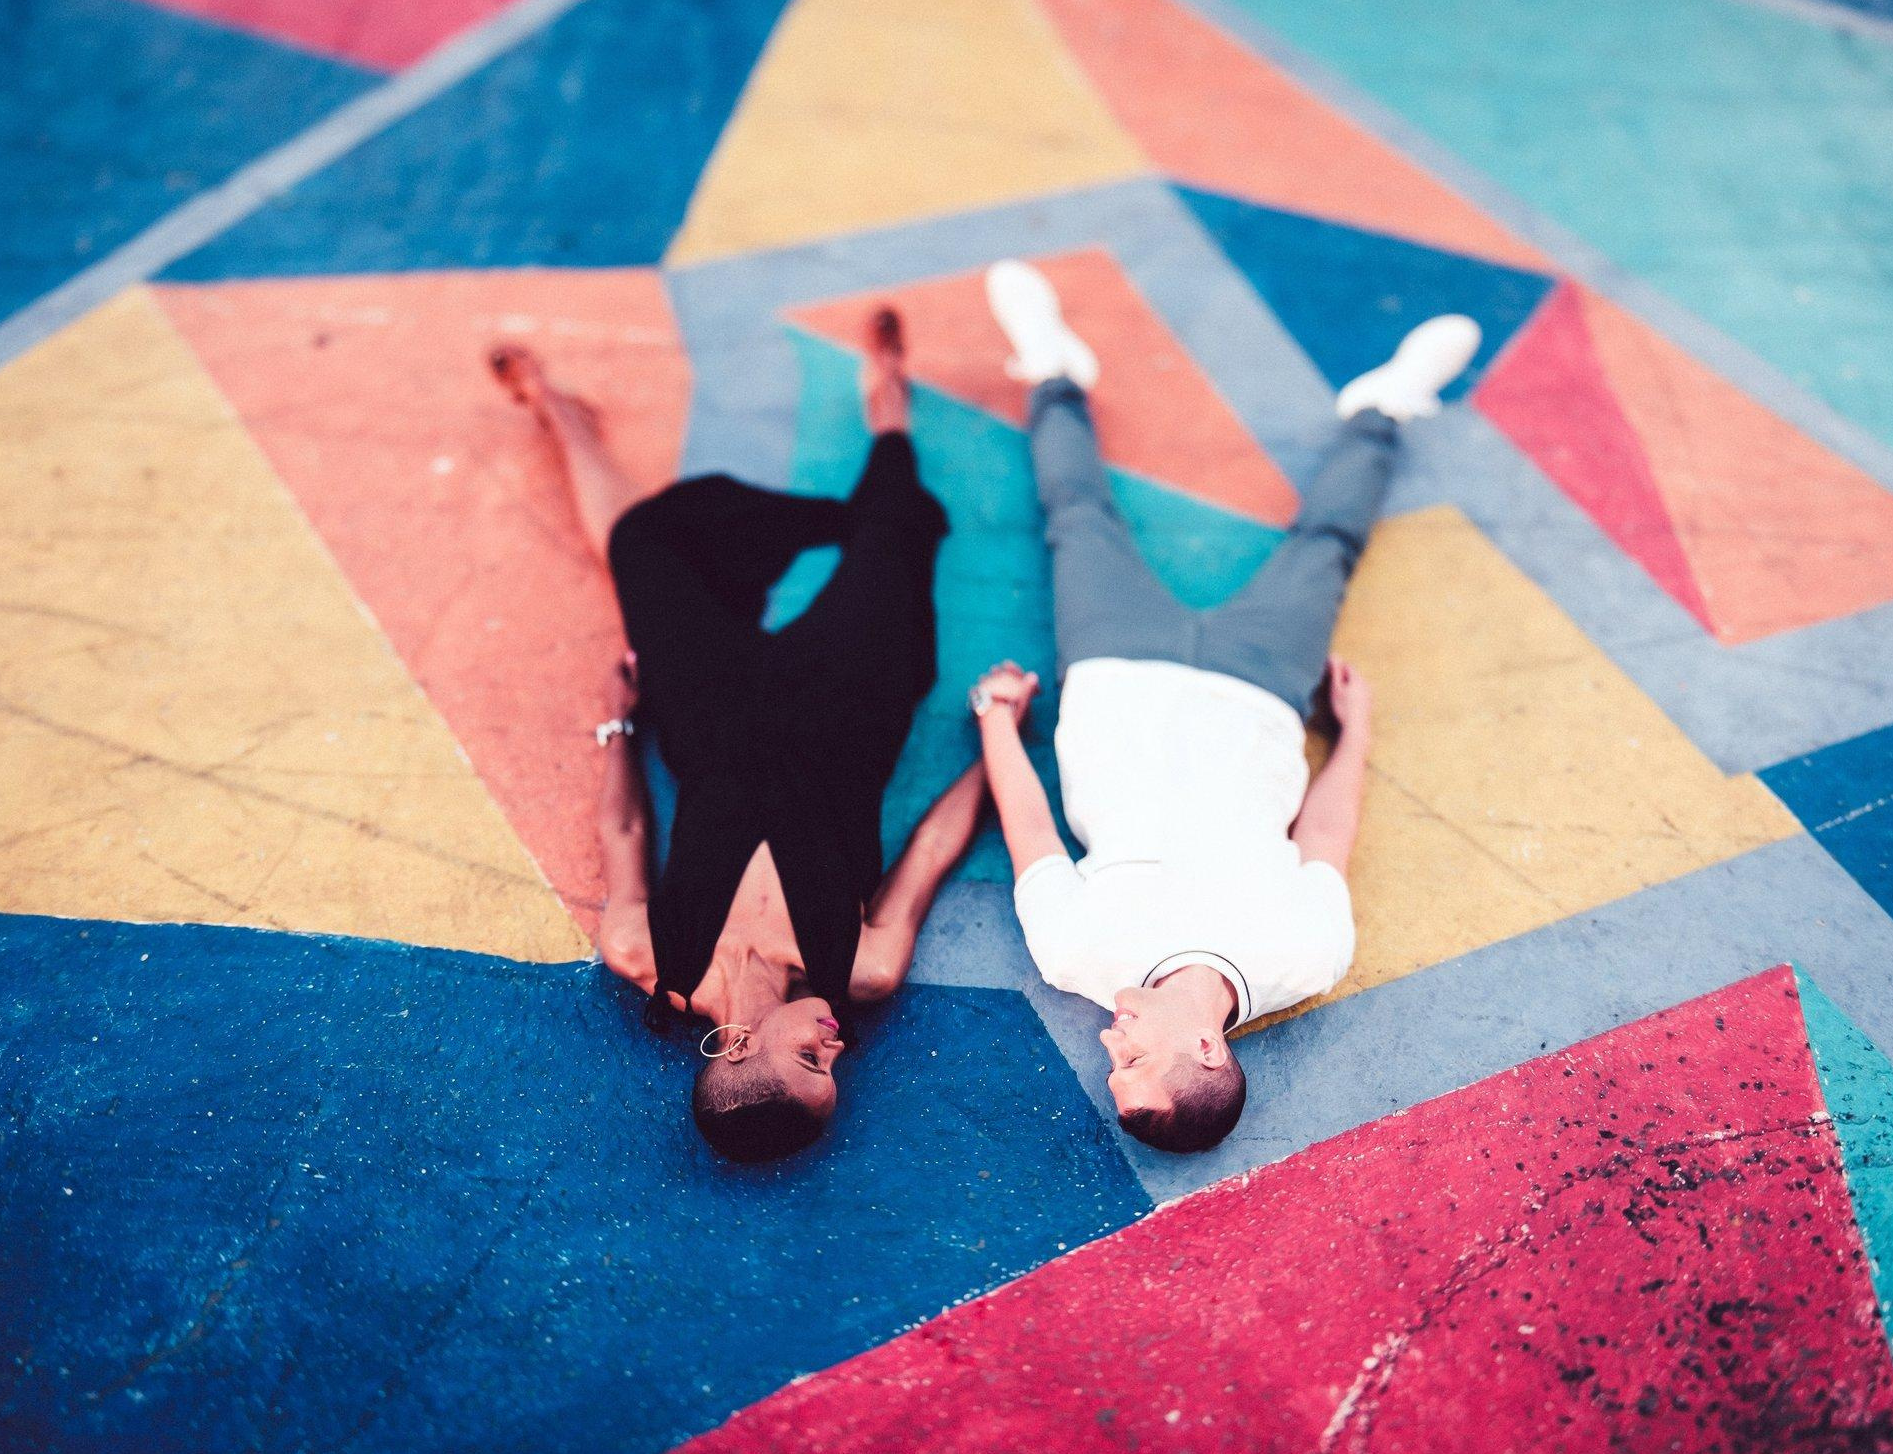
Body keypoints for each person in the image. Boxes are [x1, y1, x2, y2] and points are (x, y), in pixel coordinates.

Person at [968, 259, 1483, 1154]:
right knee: (1326, 546)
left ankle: (1053, 371)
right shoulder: (1305, 959)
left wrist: (994, 722)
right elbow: (1324, 840)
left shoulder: (1078, 957)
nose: (1107, 1042)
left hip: (1115, 664)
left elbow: (1032, 830)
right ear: (1205, 1047)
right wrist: (1354, 730)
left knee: (1077, 515)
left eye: (1110, 1062)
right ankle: (1386, 406)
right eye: (1132, 1061)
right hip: (1261, 687)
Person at [489, 307, 986, 1164]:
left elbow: (626, 830)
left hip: (709, 715)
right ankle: (888, 407)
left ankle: (558, 409)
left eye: (812, 1059)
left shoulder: (643, 950)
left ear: (738, 1049)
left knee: (642, 552)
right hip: (848, 709)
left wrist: (618, 721)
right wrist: (1001, 736)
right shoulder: (862, 966)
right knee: (889, 544)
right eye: (834, 1066)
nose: (838, 1047)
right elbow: (934, 845)